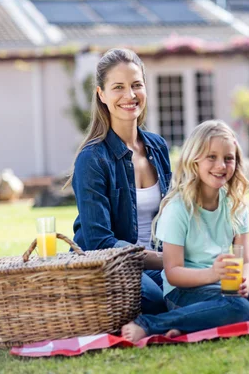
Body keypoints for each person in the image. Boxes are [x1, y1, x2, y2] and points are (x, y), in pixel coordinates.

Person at [121, 120, 249, 342]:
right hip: (184, 292)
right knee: (239, 308)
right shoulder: (178, 208)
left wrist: (246, 280)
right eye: (211, 157)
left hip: (225, 291)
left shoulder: (235, 205)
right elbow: (173, 272)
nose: (221, 165)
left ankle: (193, 323)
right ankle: (151, 323)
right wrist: (212, 274)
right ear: (194, 160)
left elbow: (246, 262)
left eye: (228, 158)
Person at [66, 48, 171, 315]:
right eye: (118, 87)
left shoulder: (157, 147)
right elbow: (100, 242)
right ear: (101, 94)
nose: (130, 95)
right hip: (112, 269)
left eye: (137, 85)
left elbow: (174, 217)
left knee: (210, 288)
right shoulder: (92, 159)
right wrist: (168, 261)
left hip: (161, 265)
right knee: (157, 301)